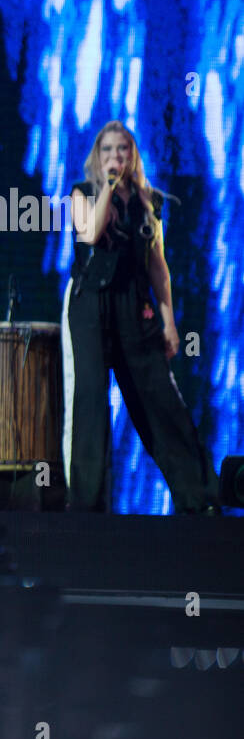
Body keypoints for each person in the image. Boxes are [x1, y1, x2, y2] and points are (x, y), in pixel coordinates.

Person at [63, 121, 218, 513]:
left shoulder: (150, 202)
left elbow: (157, 266)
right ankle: (87, 507)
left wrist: (168, 321)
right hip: (90, 305)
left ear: (133, 156)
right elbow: (92, 234)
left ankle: (199, 497)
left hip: (134, 305)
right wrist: (109, 190)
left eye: (123, 150)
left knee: (161, 401)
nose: (116, 157)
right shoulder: (82, 194)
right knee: (91, 403)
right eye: (108, 150)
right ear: (97, 158)